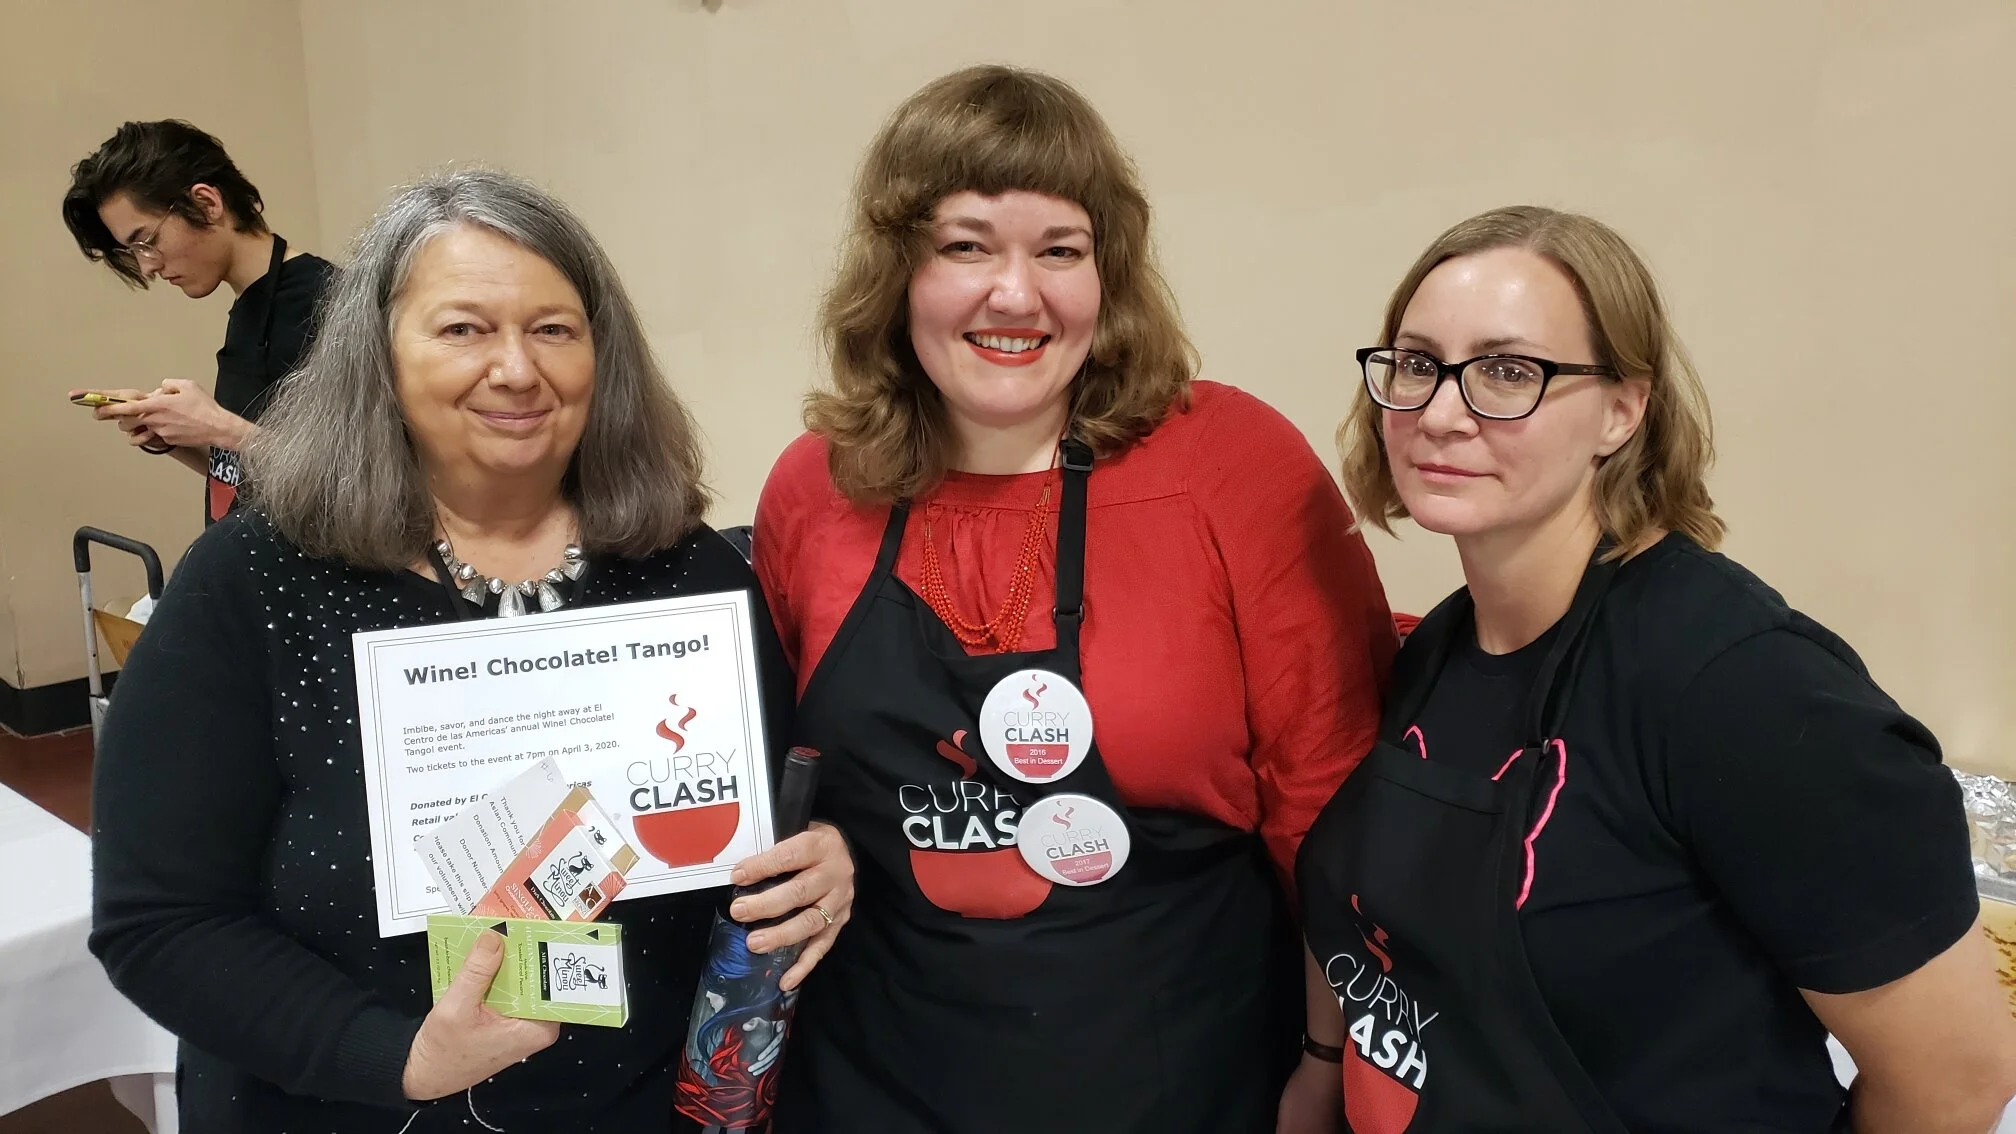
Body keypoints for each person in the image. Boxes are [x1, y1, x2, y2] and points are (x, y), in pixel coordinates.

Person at [88, 169, 855, 1133]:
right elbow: (161, 922)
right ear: (379, 357)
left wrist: (817, 867)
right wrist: (393, 1054)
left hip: (634, 1107)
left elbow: (760, 831)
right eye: (462, 329)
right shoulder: (254, 583)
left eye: (553, 328)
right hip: (341, 1107)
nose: (517, 369)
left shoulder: (687, 574)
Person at [754, 65, 1396, 1133]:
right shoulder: (813, 490)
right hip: (872, 1085)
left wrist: (1330, 1060)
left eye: (1061, 249)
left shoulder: (1231, 466)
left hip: (1182, 1083)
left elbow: (1331, 819)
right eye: (967, 246)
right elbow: (772, 797)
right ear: (896, 269)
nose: (1018, 294)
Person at [1298, 205, 2016, 1133]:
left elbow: (1957, 1081)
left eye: (1508, 372)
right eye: (1418, 364)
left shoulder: (1740, 689)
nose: (1441, 412)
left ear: (1622, 411)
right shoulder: (1446, 647)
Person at [62, 119, 337, 524]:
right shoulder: (249, 304)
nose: (147, 266)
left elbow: (353, 485)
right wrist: (175, 435)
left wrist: (218, 425)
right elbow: (251, 474)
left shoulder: (330, 302)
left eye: (147, 241)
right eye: (133, 251)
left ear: (207, 203)